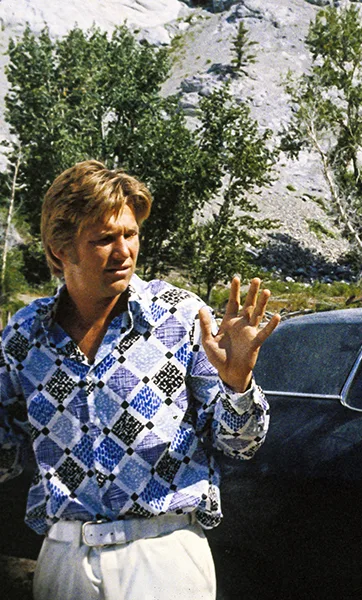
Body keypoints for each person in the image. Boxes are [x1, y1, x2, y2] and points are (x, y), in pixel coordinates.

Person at [0, 160, 280, 600]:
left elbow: (240, 444)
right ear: (60, 250)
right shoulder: (24, 335)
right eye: (104, 239)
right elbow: (5, 455)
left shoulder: (179, 317)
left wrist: (238, 382)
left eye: (130, 234)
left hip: (163, 555)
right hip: (65, 559)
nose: (123, 252)